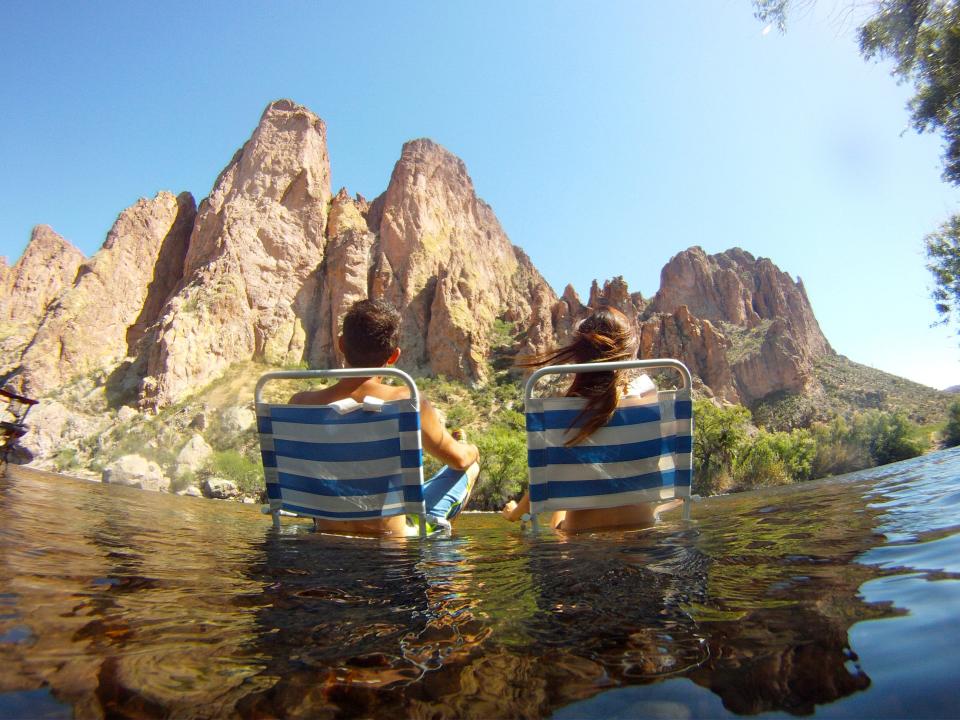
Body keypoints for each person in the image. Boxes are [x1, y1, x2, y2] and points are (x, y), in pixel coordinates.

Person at [290, 299, 480, 536]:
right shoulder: (407, 400)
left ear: (341, 344)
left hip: (326, 535)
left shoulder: (300, 404)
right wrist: (470, 448)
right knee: (469, 467)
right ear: (393, 356)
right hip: (393, 545)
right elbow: (459, 461)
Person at [501, 306, 681, 533]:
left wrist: (513, 513)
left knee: (560, 513)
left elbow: (544, 483)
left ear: (579, 355)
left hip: (581, 535)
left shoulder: (564, 416)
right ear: (628, 351)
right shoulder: (649, 402)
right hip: (642, 528)